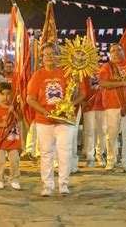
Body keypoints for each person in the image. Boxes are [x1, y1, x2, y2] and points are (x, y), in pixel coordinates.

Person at [27, 42, 85, 196]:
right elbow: (30, 99)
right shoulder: (38, 75)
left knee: (65, 151)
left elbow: (77, 96)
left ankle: (64, 183)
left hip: (64, 120)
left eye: (52, 53)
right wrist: (43, 111)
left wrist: (75, 87)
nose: (49, 57)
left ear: (58, 55)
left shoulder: (67, 72)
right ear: (42, 57)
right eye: (46, 54)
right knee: (46, 153)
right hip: (44, 120)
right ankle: (47, 185)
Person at [99, 44, 126, 173]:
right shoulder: (107, 67)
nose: (115, 53)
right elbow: (103, 83)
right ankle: (111, 161)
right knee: (112, 135)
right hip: (112, 106)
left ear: (124, 51)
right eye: (112, 51)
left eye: (118, 50)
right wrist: (121, 83)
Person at [0, 82, 23, 190]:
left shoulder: (14, 107)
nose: (6, 97)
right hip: (0, 139)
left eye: (8, 94)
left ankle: (14, 179)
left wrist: (13, 111)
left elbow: (19, 119)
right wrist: (1, 124)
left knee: (15, 160)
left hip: (13, 139)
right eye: (3, 94)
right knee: (0, 161)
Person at [81, 74, 107, 168]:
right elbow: (81, 85)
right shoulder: (86, 69)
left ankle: (100, 153)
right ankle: (90, 156)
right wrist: (82, 100)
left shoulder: (105, 67)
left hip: (102, 103)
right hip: (89, 104)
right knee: (89, 131)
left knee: (103, 130)